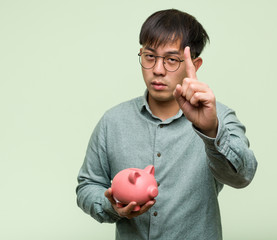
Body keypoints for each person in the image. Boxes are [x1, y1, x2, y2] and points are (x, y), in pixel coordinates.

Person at [76, 8, 257, 240]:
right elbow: (87, 185)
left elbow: (243, 176)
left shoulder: (218, 117)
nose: (158, 70)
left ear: (195, 64)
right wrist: (112, 205)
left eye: (171, 60)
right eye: (150, 56)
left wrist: (211, 131)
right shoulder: (113, 121)